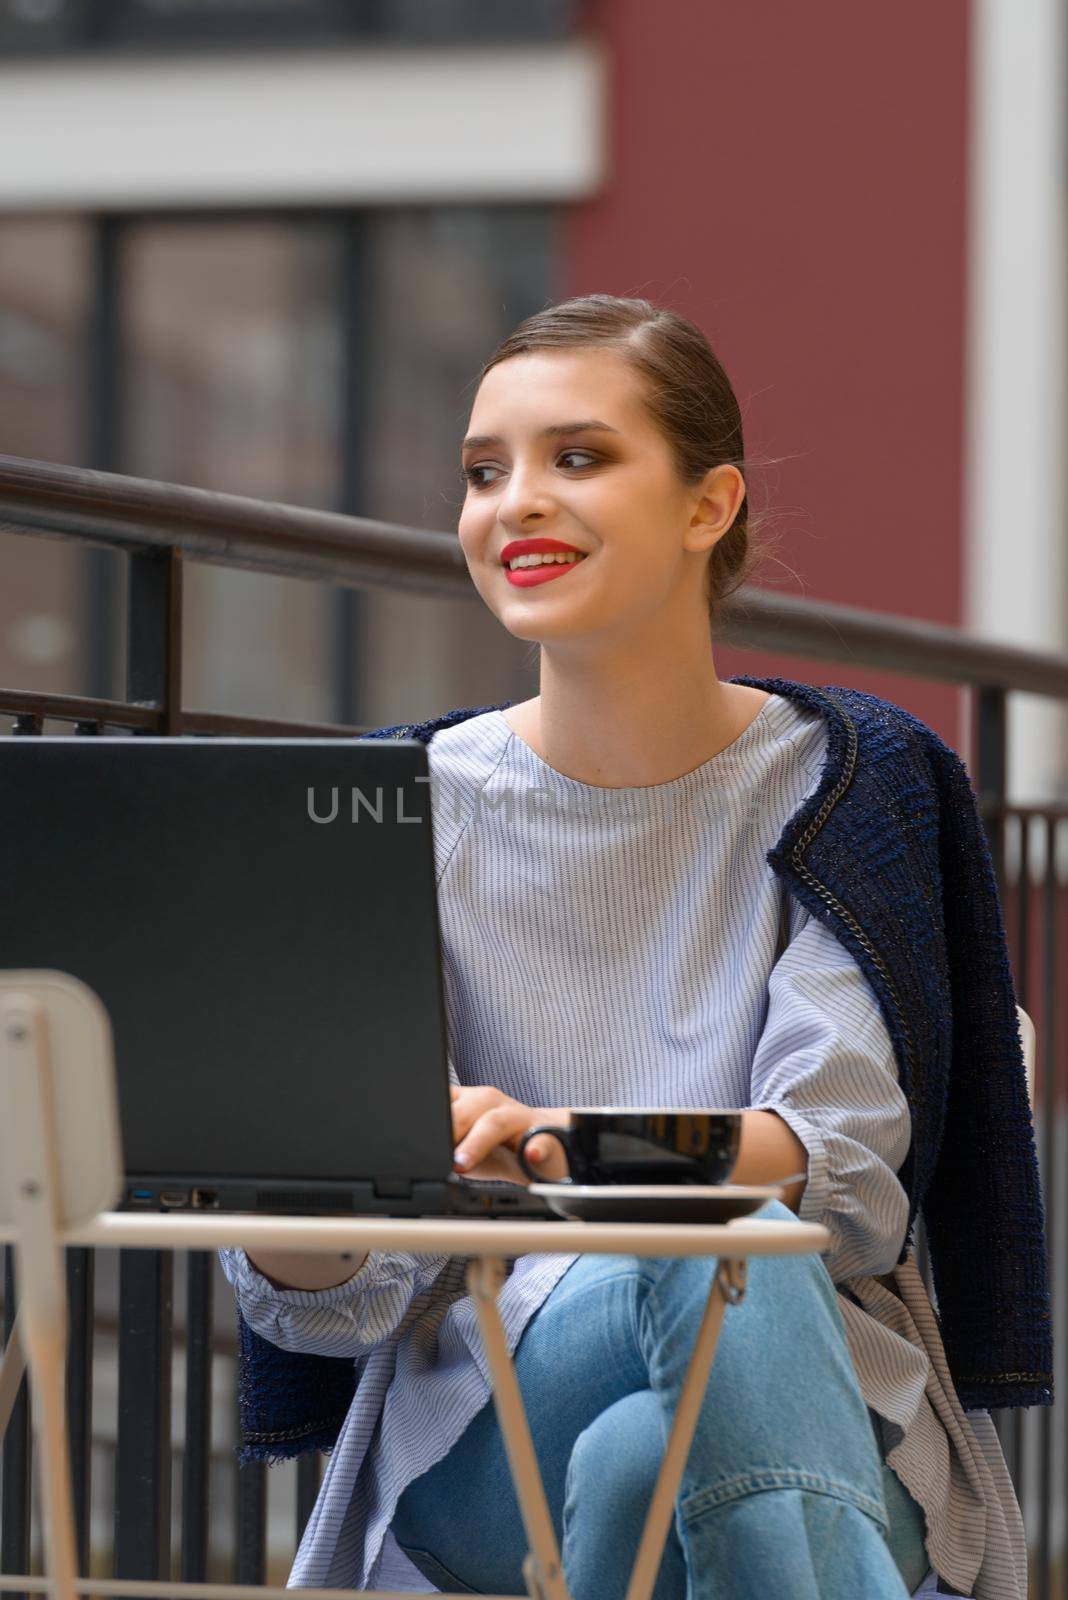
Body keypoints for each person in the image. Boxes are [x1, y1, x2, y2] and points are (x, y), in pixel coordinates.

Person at [221, 294, 1048, 1598]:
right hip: (486, 1418)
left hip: (834, 1397)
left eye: (580, 458)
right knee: (719, 1256)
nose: (516, 503)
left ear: (708, 505)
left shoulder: (849, 781)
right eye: (484, 472)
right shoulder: (396, 806)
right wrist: (300, 1178)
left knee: (654, 1439)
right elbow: (330, 1293)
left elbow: (837, 1168)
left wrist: (553, 1138)